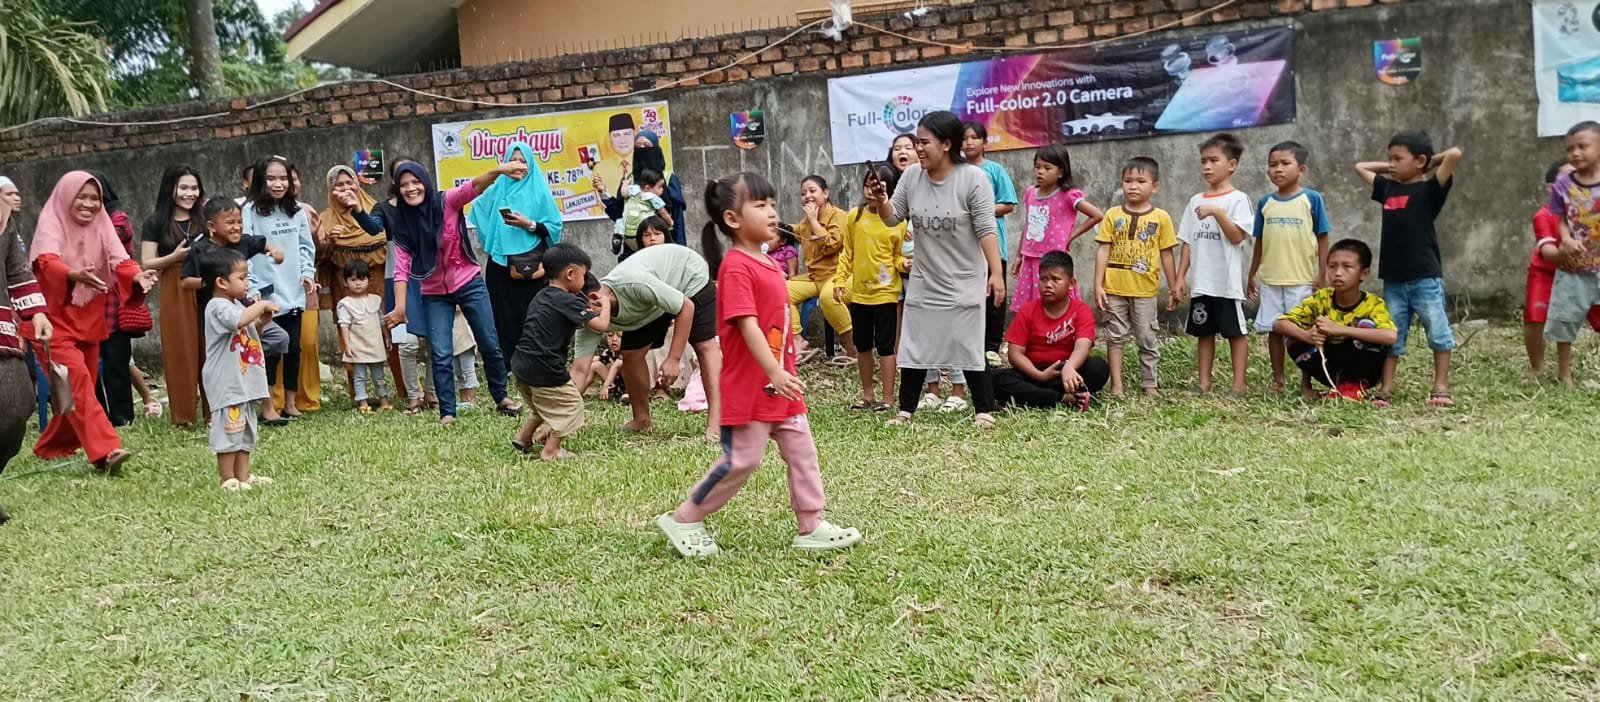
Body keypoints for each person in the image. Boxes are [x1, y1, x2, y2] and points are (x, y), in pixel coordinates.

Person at [656, 171, 863, 558]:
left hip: (781, 386)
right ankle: (685, 517)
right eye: (760, 204)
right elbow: (747, 324)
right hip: (751, 387)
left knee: (802, 452)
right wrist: (773, 370)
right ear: (732, 219)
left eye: (772, 204)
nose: (771, 212)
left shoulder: (767, 262)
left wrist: (785, 365)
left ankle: (811, 525)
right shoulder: (736, 267)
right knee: (743, 460)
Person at [870, 111, 1004, 428]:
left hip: (964, 279)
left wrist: (996, 273)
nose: (918, 148)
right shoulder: (912, 177)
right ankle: (906, 410)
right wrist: (881, 200)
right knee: (916, 344)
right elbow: (892, 218)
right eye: (917, 142)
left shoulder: (973, 179)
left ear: (946, 144)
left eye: (924, 142)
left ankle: (984, 411)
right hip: (925, 279)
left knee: (969, 343)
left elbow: (986, 228)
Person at [29, 171, 158, 472]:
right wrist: (72, 274)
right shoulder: (51, 222)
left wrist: (137, 276)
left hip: (88, 319)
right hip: (48, 321)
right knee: (79, 382)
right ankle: (106, 451)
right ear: (66, 197)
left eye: (95, 198)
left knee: (77, 388)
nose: (89, 204)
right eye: (82, 197)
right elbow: (46, 261)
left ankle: (52, 446)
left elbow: (120, 260)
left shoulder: (103, 225)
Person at [379, 162, 525, 425]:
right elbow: (401, 269)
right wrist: (400, 308)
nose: (411, 189)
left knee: (489, 343)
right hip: (434, 293)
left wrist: (500, 170)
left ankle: (501, 397)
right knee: (441, 353)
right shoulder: (402, 224)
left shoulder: (447, 201)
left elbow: (474, 186)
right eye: (404, 185)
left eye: (415, 182)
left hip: (468, 282)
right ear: (397, 190)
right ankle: (447, 411)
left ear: (425, 182)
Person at [570, 242, 723, 437]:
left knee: (704, 345)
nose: (573, 320)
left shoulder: (635, 284)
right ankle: (641, 420)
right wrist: (556, 419)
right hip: (653, 300)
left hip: (688, 276)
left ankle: (717, 423)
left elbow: (686, 307)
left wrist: (673, 359)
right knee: (631, 354)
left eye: (574, 312)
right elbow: (579, 371)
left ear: (593, 300)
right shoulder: (587, 320)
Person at [1356, 131, 1463, 406]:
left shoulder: (1430, 191)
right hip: (1394, 279)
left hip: (1425, 277)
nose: (1391, 164)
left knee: (1437, 331)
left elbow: (1454, 155)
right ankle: (1386, 387)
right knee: (1392, 335)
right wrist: (1399, 166)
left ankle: (1441, 385)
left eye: (1397, 159)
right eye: (1389, 158)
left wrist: (1425, 165)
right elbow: (1361, 167)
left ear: (1421, 161)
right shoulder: (1388, 189)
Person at [467, 143, 564, 368]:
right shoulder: (498, 187)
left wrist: (528, 224)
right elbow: (477, 209)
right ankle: (507, 364)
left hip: (532, 263)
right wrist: (494, 235)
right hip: (500, 263)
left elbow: (554, 227)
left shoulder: (539, 191)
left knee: (533, 314)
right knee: (501, 315)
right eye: (514, 160)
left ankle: (533, 361)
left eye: (523, 161)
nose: (518, 165)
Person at [508, 243, 608, 460]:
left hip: (521, 365)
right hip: (545, 367)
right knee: (572, 405)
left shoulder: (541, 296)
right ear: (571, 274)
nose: (585, 281)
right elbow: (601, 326)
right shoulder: (568, 301)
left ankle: (524, 437)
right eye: (584, 276)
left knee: (545, 404)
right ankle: (551, 450)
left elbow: (564, 322)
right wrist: (606, 304)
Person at [1248, 141, 1332, 393]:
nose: (1278, 169)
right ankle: (1278, 382)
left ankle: (1306, 382)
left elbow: (1323, 237)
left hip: (1302, 280)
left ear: (1301, 169)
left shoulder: (1312, 199)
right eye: (1273, 164)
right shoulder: (1265, 203)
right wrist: (1252, 274)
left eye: (1285, 163)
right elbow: (1259, 241)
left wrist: (1322, 274)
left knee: (1302, 331)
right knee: (1274, 330)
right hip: (1271, 280)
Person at [1175, 133, 1254, 396]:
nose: (1206, 167)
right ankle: (1204, 383)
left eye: (1213, 160)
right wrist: (1180, 277)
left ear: (1232, 165)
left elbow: (1237, 237)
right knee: (1204, 332)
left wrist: (1218, 212)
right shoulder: (1195, 200)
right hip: (1202, 283)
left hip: (1226, 284)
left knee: (1235, 333)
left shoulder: (1238, 199)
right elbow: (1188, 242)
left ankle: (1238, 385)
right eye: (1203, 161)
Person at [1094, 157, 1181, 398]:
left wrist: (1174, 286)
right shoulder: (1112, 215)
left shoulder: (1161, 217)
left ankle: (1150, 383)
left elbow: (1167, 254)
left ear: (1155, 186)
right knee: (1115, 336)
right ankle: (1117, 385)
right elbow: (1103, 250)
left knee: (1146, 336)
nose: (1133, 186)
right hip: (1114, 288)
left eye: (1141, 181)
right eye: (1128, 180)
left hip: (1145, 290)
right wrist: (1098, 285)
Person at [1273, 239, 1397, 400]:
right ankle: (1337, 387)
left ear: (1364, 274)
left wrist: (1340, 329)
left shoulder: (1373, 304)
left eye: (1347, 267)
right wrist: (1307, 335)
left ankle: (1355, 385)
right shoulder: (1321, 299)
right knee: (1293, 337)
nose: (1338, 273)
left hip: (1364, 368)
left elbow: (1390, 336)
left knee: (1367, 326)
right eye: (1332, 266)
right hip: (1329, 366)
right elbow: (1279, 323)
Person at [242, 156, 317, 421]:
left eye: (283, 178)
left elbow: (306, 246)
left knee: (294, 347)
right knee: (271, 348)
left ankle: (291, 403)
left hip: (293, 289)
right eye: (271, 178)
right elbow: (245, 248)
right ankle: (268, 407)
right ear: (260, 180)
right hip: (264, 291)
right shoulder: (249, 210)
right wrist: (250, 286)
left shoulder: (296, 211)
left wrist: (307, 273)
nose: (278, 184)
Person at [198, 247, 277, 491]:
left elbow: (247, 332)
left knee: (245, 431)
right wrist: (261, 304)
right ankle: (227, 478)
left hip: (243, 382)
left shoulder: (234, 305)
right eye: (242, 278)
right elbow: (238, 321)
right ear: (221, 282)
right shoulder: (217, 306)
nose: (247, 283)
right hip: (227, 382)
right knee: (230, 429)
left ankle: (243, 476)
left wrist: (260, 322)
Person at [993, 250, 1108, 410]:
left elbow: (1083, 345)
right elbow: (1015, 354)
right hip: (1033, 372)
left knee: (1098, 368)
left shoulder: (1081, 310)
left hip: (1065, 371)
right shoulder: (1028, 310)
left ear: (1071, 283)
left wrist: (1069, 367)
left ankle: (1035, 396)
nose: (1048, 285)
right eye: (1044, 279)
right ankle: (1061, 398)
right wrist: (1040, 375)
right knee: (993, 379)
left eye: (1055, 279)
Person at [834, 163, 906, 411]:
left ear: (890, 191)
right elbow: (847, 252)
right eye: (867, 185)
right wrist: (840, 280)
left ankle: (888, 398)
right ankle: (868, 395)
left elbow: (897, 256)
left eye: (878, 187)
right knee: (862, 345)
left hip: (886, 294)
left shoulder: (897, 221)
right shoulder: (855, 216)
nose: (871, 192)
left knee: (885, 347)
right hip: (860, 294)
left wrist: (904, 264)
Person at [141, 165, 206, 426]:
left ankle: (215, 411)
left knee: (210, 346)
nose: (190, 194)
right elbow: (147, 262)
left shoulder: (204, 218)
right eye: (184, 188)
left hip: (206, 282)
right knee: (180, 348)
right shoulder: (156, 221)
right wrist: (174, 257)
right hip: (174, 283)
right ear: (171, 189)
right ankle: (183, 415)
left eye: (194, 188)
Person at [1539, 121, 1600, 389]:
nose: (1575, 153)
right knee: (1566, 321)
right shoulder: (1564, 185)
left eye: (1582, 147)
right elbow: (1562, 218)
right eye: (1569, 149)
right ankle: (1564, 374)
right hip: (1573, 267)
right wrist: (1565, 238)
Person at [83, 172, 146, 426]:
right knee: (88, 366)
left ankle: (122, 418)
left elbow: (102, 249)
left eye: (93, 196)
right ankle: (99, 417)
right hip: (86, 304)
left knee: (116, 365)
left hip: (113, 305)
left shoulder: (117, 219)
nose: (87, 202)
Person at [1011, 144, 1102, 309]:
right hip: (1030, 258)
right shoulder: (1031, 193)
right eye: (1037, 167)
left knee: (1057, 304)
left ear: (1060, 172)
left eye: (1047, 168)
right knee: (1031, 306)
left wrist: (1070, 236)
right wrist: (1019, 255)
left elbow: (1096, 215)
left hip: (1054, 260)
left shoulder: (1068, 195)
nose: (1040, 172)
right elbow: (1028, 225)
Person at [1, 190, 52, 480]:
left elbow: (17, 269)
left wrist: (37, 313)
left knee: (16, 406)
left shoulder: (3, 215)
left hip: (2, 330)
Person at [961, 122, 1019, 357]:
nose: (969, 142)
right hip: (964, 247)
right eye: (964, 138)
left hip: (993, 246)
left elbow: (1009, 204)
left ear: (984, 142)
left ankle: (991, 347)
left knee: (994, 296)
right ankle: (969, 346)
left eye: (974, 137)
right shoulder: (956, 171)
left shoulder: (995, 170)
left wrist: (980, 211)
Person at [786, 176, 854, 364]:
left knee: (829, 297)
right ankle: (798, 340)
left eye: (812, 191)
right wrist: (780, 226)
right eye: (803, 193)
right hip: (816, 278)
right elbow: (798, 231)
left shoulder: (839, 216)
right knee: (780, 290)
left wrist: (813, 221)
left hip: (840, 275)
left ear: (825, 193)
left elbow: (831, 245)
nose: (807, 196)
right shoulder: (807, 221)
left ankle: (852, 346)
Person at [1527, 160, 1577, 373]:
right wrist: (1563, 252)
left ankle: (1564, 371)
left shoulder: (1588, 213)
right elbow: (1547, 251)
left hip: (1579, 274)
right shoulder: (1544, 216)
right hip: (1544, 272)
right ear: (1551, 188)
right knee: (1535, 318)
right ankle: (1537, 368)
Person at [336, 260, 391, 412]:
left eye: (361, 279)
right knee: (359, 376)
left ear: (369, 280)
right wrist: (347, 345)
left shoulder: (375, 300)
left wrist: (386, 337)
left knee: (379, 375)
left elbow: (381, 320)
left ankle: (384, 400)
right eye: (353, 279)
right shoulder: (345, 304)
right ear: (345, 282)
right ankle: (362, 402)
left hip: (375, 345)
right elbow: (344, 325)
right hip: (358, 346)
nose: (358, 283)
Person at [613, 169, 673, 259]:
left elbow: (624, 193)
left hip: (627, 234)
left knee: (620, 221)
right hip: (641, 234)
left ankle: (617, 237)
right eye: (660, 187)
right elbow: (662, 212)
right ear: (648, 188)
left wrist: (625, 183)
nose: (662, 190)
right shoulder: (653, 197)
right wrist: (670, 222)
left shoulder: (634, 189)